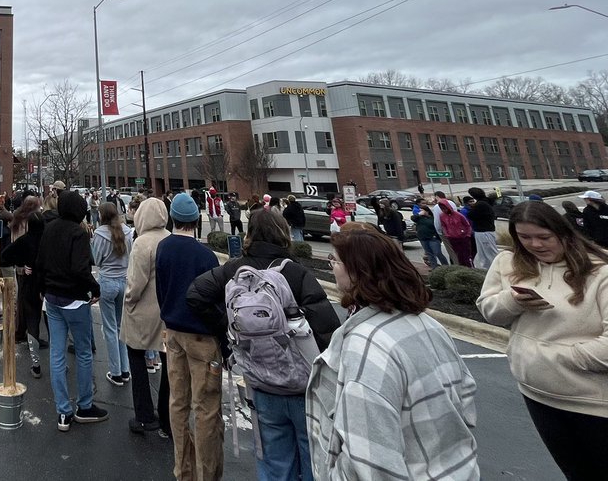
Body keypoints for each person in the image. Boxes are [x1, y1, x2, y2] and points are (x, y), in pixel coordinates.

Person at [306, 224, 479, 480]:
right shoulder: (430, 325)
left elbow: (371, 457)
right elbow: (465, 398)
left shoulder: (365, 346)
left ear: (358, 272)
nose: (332, 265)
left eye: (337, 260)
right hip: (459, 468)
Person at [188, 210, 340, 481]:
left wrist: (229, 329)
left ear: (250, 235)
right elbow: (327, 330)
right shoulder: (294, 272)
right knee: (314, 463)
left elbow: (196, 294)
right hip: (304, 386)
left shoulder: (236, 269)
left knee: (274, 463)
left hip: (261, 382)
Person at [477, 200, 608, 481]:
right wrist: (512, 300)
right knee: (576, 474)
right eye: (524, 237)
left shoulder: (600, 271)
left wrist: (556, 359)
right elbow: (490, 312)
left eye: (543, 237)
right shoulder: (507, 262)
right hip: (537, 395)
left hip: (594, 402)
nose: (534, 245)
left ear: (564, 233)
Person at [155, 192, 223, 481]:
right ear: (196, 221)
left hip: (173, 334)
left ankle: (182, 470)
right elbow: (215, 301)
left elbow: (161, 290)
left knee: (178, 402)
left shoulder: (163, 248)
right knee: (206, 408)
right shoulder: (205, 255)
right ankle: (207, 474)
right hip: (201, 339)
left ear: (173, 218)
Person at [34, 190, 108, 431]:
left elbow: (40, 262)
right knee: (84, 352)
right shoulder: (79, 232)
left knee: (57, 354)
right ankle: (85, 406)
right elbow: (80, 269)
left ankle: (63, 412)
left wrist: (42, 289)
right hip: (74, 300)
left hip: (52, 299)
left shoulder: (50, 228)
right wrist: (94, 288)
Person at [122, 196, 171, 437]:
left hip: (142, 310)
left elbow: (136, 283)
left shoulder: (142, 243)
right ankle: (166, 414)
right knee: (168, 362)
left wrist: (129, 299)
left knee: (136, 357)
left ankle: (143, 415)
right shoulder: (169, 238)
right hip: (165, 311)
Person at [1, 195, 48, 379]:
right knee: (41, 317)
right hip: (43, 282)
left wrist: (22, 263)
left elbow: (9, 252)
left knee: (30, 312)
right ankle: (23, 333)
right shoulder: (31, 227)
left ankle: (34, 358)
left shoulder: (18, 219)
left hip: (29, 277)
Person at [92, 201, 133, 387]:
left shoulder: (99, 234)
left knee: (109, 329)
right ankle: (125, 370)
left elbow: (97, 259)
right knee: (121, 327)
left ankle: (115, 371)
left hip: (107, 281)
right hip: (124, 281)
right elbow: (131, 255)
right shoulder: (127, 232)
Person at [438, 196, 475, 267]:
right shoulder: (442, 216)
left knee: (467, 256)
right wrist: (447, 234)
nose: (444, 210)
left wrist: (467, 235)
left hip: (463, 238)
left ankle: (469, 268)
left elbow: (467, 225)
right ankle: (462, 269)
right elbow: (444, 226)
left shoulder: (458, 215)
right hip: (453, 238)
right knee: (459, 256)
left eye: (444, 208)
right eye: (442, 209)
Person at [467, 187, 499, 270]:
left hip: (483, 231)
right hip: (485, 230)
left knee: (489, 253)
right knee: (484, 254)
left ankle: (497, 269)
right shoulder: (486, 202)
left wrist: (472, 208)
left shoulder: (480, 205)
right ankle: (488, 270)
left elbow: (470, 215)